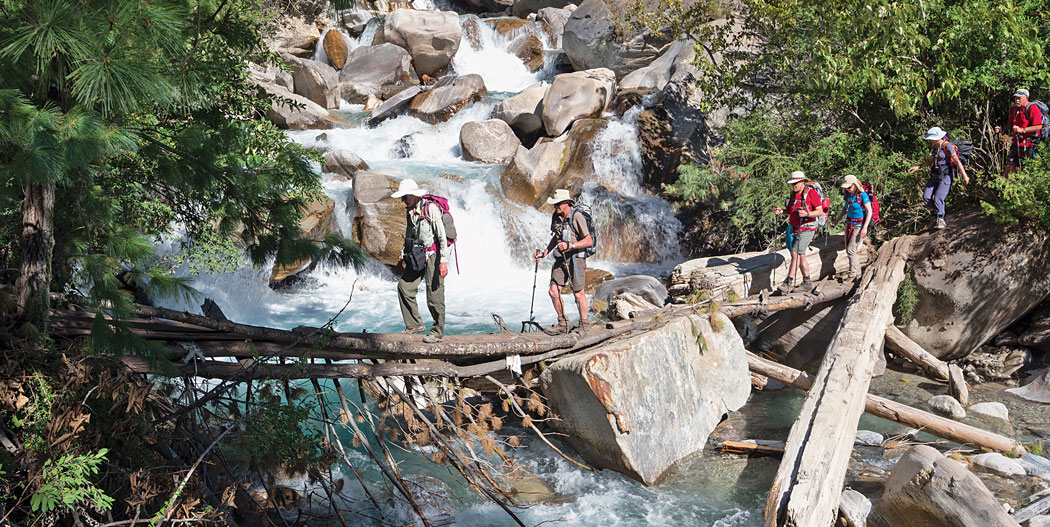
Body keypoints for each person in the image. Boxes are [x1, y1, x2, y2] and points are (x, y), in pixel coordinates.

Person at [391, 179, 449, 343]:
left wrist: (443, 261)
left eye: (405, 197)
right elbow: (409, 235)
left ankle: (437, 333)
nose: (403, 200)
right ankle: (414, 325)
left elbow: (442, 237)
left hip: (433, 255)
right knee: (404, 287)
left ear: (414, 195)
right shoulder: (410, 212)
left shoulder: (430, 209)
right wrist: (402, 257)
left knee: (434, 295)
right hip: (417, 254)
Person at [533, 189, 593, 335]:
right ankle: (562, 323)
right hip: (560, 257)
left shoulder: (577, 216)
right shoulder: (556, 216)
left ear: (566, 203)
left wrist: (570, 245)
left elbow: (588, 241)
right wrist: (545, 253)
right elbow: (556, 237)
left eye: (558, 204)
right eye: (555, 204)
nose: (555, 207)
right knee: (553, 291)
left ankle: (584, 325)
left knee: (578, 294)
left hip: (576, 258)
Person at [907, 127, 969, 230]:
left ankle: (941, 218)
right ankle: (933, 215)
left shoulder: (947, 146)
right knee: (926, 197)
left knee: (938, 198)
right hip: (935, 175)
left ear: (937, 138)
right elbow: (929, 161)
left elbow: (957, 161)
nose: (929, 140)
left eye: (930, 138)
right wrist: (918, 167)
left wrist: (965, 176)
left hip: (946, 175)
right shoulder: (934, 147)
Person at [773, 171, 824, 294]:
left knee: (795, 253)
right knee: (801, 255)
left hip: (807, 228)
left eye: (796, 183)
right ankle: (807, 282)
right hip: (794, 228)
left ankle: (787, 283)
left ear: (802, 182)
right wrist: (781, 211)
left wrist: (807, 214)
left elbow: (820, 211)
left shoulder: (811, 193)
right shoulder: (793, 194)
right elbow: (791, 211)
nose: (793, 185)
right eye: (792, 183)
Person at [830, 174, 872, 279]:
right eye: (846, 187)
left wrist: (865, 228)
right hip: (849, 223)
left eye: (849, 187)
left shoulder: (862, 195)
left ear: (855, 185)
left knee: (850, 250)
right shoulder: (848, 195)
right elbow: (845, 209)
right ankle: (857, 272)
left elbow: (869, 211)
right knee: (849, 249)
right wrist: (836, 221)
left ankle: (852, 274)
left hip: (859, 225)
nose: (848, 189)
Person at [994, 88, 1042, 176]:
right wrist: (1002, 129)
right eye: (1016, 98)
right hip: (1016, 142)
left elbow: (1038, 126)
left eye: (1019, 98)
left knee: (1027, 168)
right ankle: (1007, 184)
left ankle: (1026, 184)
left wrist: (1022, 130)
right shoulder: (1015, 108)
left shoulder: (1033, 108)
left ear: (1026, 97)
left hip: (1029, 144)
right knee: (1009, 166)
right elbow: (1010, 123)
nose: (1017, 100)